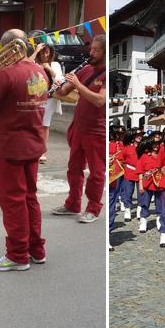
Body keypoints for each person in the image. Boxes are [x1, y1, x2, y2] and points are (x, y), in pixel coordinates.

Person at [0, 29, 48, 271]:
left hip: (9, 146)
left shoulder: (5, 74)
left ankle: (17, 255)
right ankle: (36, 250)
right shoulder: (40, 71)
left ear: (4, 48)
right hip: (34, 143)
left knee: (12, 201)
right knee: (30, 198)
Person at [52, 34, 106, 224]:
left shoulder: (107, 74)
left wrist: (77, 84)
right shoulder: (85, 70)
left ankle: (93, 208)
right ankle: (72, 203)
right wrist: (57, 86)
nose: (91, 52)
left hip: (97, 131)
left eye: (96, 50)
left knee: (96, 172)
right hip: (79, 127)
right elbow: (63, 93)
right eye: (91, 49)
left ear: (105, 52)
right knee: (74, 168)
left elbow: (99, 100)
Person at [30, 43, 63, 164]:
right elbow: (25, 64)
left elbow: (59, 79)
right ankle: (33, 149)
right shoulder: (34, 63)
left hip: (49, 98)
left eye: (47, 52)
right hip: (36, 97)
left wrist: (48, 68)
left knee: (45, 124)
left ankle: (42, 152)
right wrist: (35, 51)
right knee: (34, 124)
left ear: (51, 53)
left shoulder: (55, 65)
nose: (45, 54)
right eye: (42, 52)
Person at [136, 134, 163, 233]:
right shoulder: (144, 156)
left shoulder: (161, 155)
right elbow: (140, 172)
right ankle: (143, 221)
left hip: (159, 184)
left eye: (158, 144)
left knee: (160, 204)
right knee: (145, 204)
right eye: (154, 144)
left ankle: (159, 220)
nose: (156, 146)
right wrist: (140, 185)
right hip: (147, 185)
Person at [118, 129, 142, 221]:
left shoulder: (143, 147)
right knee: (128, 192)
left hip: (140, 173)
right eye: (137, 135)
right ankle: (127, 209)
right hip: (129, 172)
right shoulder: (127, 147)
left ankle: (139, 209)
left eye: (140, 135)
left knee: (141, 193)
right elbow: (121, 159)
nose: (139, 137)